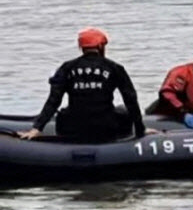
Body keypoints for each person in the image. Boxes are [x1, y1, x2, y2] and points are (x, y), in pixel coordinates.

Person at [18, 27, 150, 142]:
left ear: (81, 48)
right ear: (101, 46)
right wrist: (140, 130)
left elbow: (54, 100)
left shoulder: (67, 67)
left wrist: (37, 128)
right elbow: (130, 99)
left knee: (63, 113)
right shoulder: (114, 68)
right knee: (123, 110)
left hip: (73, 129)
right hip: (106, 128)